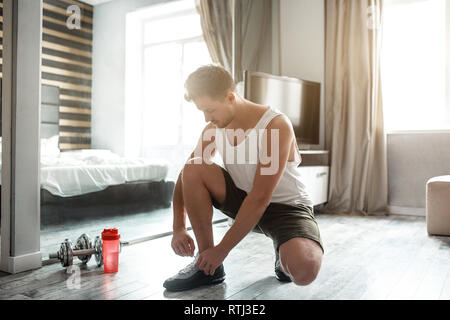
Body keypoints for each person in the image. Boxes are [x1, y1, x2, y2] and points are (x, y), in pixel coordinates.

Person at [163, 65, 324, 292]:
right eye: (202, 112)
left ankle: (283, 255)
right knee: (193, 167)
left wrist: (223, 250)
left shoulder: (275, 126)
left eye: (210, 110)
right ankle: (207, 267)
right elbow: (185, 175)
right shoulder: (213, 128)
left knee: (304, 271)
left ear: (230, 97)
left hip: (286, 209)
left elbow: (260, 197)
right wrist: (178, 227)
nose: (206, 118)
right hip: (243, 200)